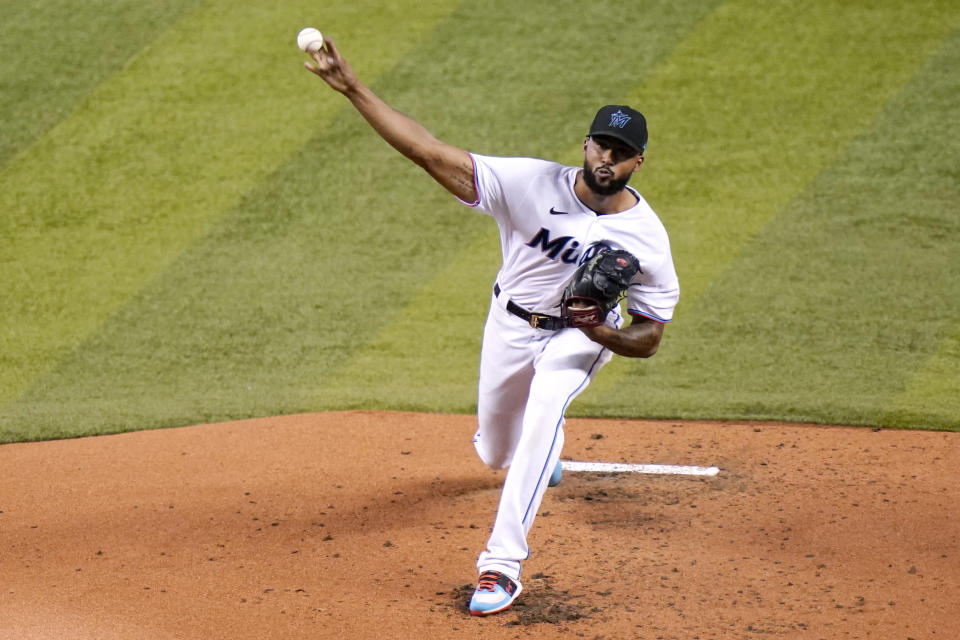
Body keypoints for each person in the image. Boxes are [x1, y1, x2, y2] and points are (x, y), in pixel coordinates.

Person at [304, 37, 679, 616]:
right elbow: (428, 151)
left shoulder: (648, 239)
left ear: (637, 163)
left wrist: (600, 332)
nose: (608, 158)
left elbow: (650, 334)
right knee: (496, 454)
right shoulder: (529, 184)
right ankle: (537, 454)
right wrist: (354, 88)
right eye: (602, 144)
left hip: (577, 338)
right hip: (509, 325)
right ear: (586, 144)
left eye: (622, 152)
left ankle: (501, 567)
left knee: (546, 408)